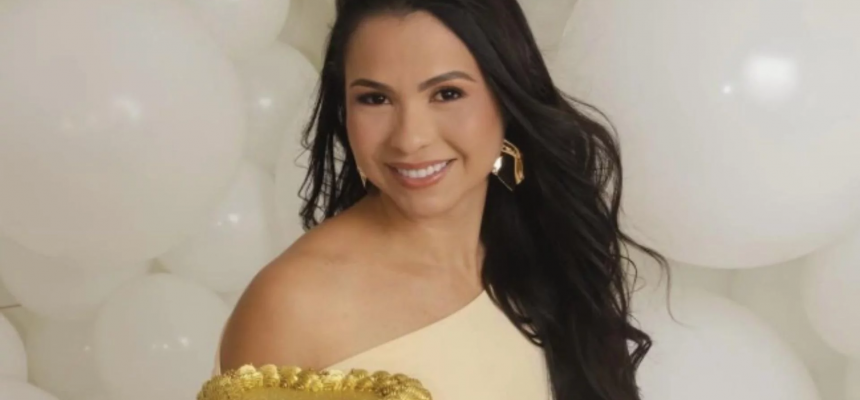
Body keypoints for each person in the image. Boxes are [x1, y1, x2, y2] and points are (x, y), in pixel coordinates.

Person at [217, 0, 668, 399]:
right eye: (375, 98)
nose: (410, 138)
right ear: (343, 109)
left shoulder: (544, 249)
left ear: (506, 99)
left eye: (447, 94)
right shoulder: (291, 308)